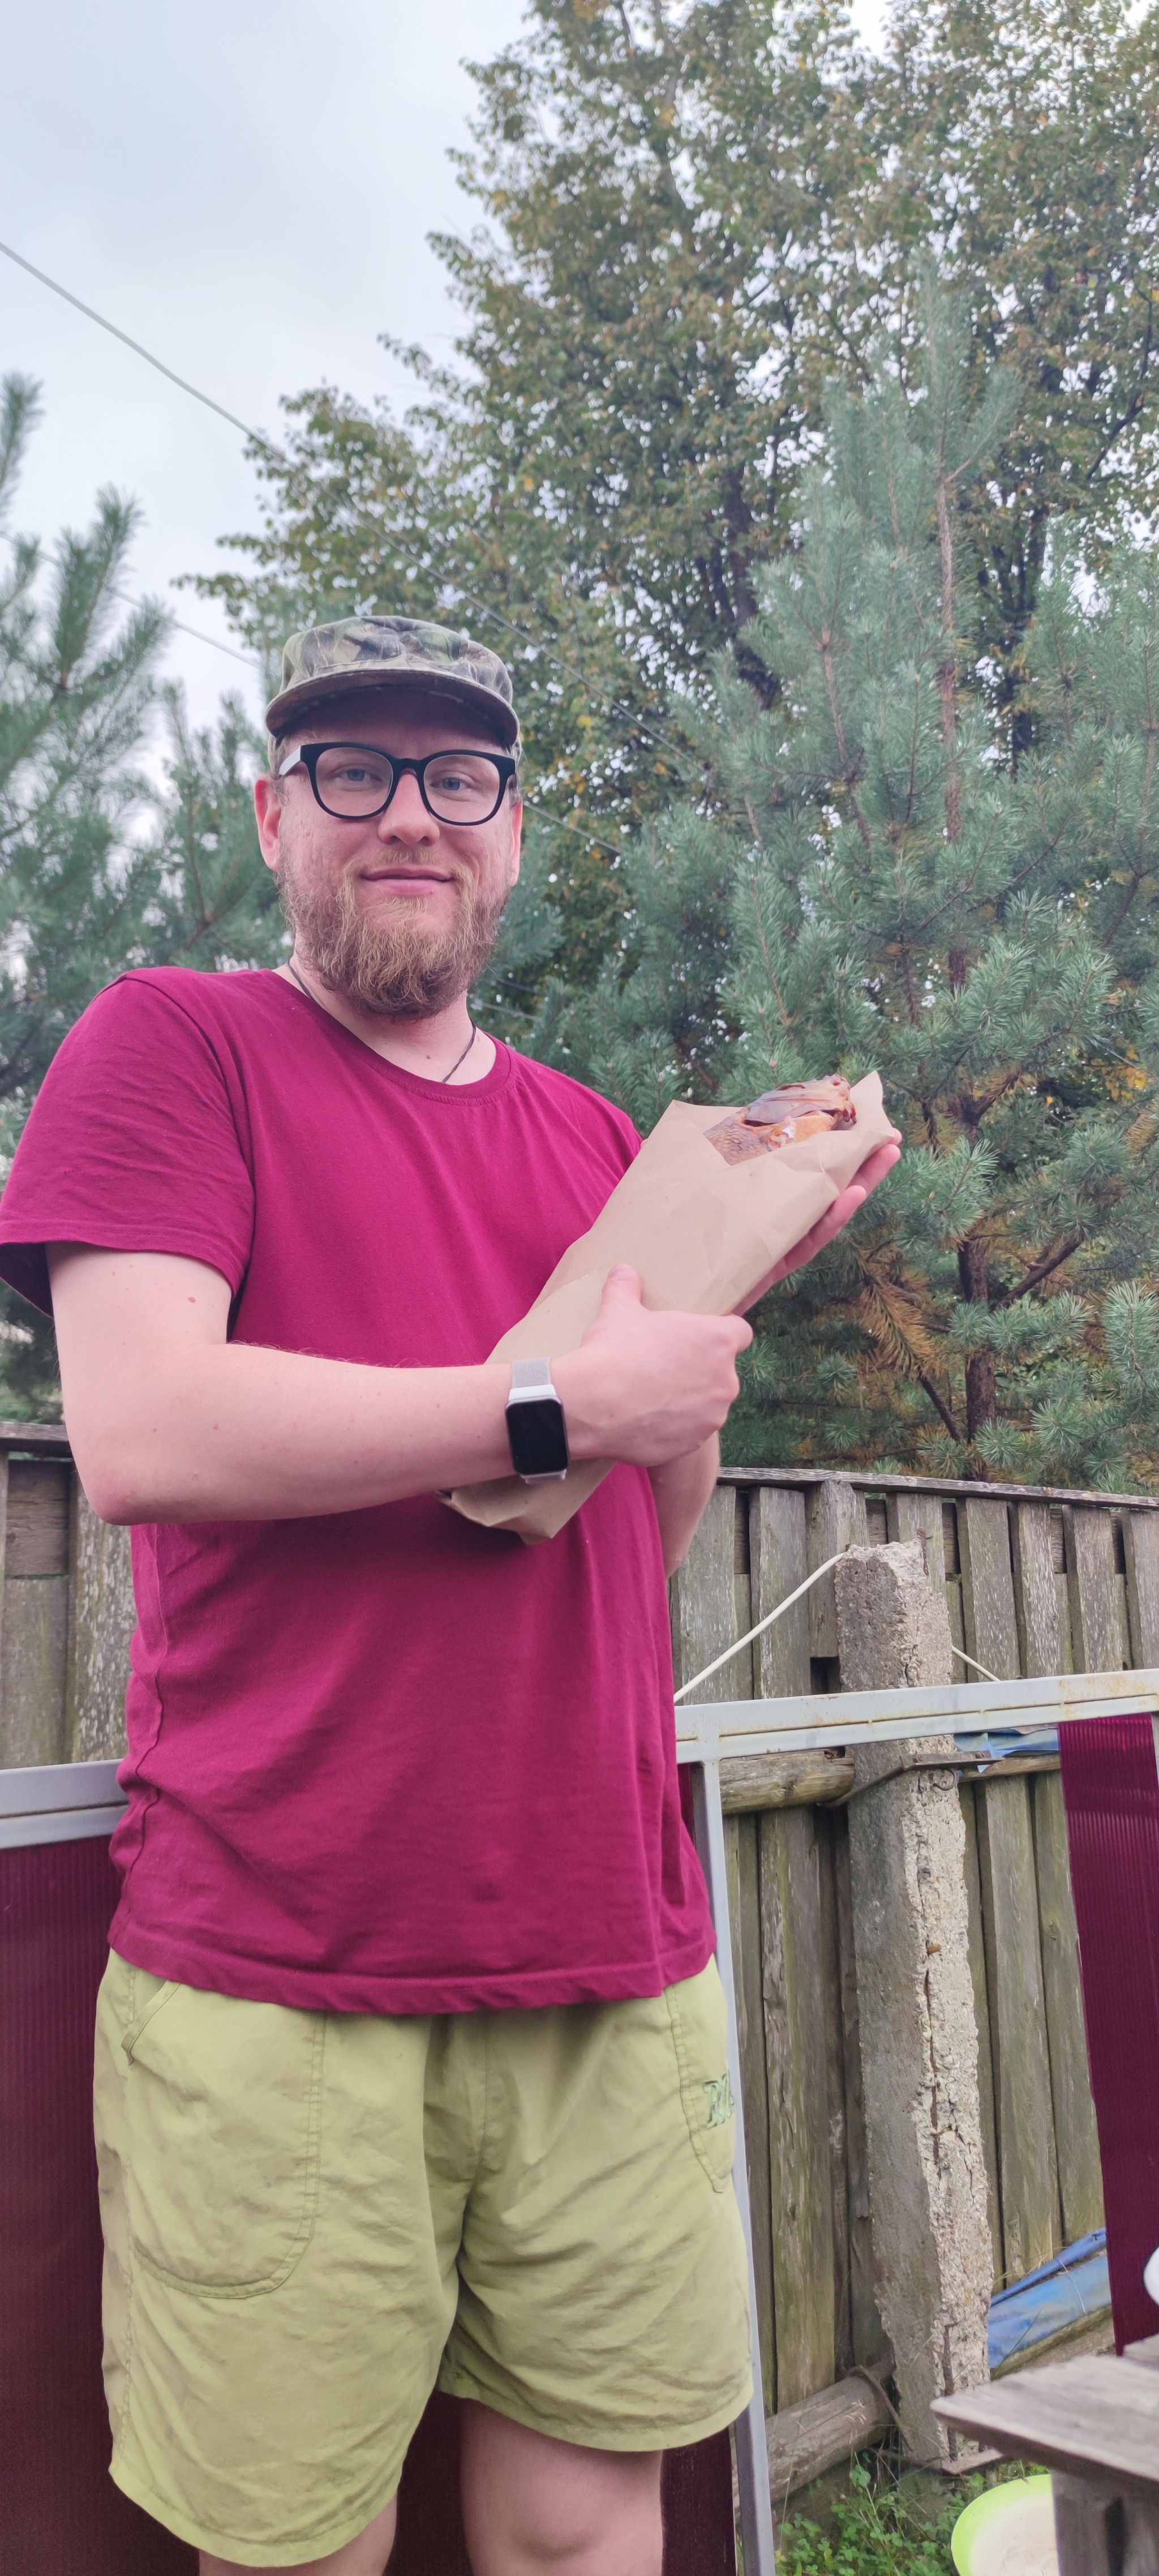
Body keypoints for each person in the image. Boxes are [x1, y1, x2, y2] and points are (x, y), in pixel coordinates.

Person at [0, 616, 899, 2576]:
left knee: (585, 2532)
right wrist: (559, 1394)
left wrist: (731, 1266)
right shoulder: (173, 1045)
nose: (410, 814)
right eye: (355, 771)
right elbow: (143, 1427)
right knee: (298, 2553)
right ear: (275, 816)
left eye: (458, 777)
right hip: (278, 1966)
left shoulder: (599, 1143)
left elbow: (626, 1542)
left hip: (608, 1953)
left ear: (512, 833)